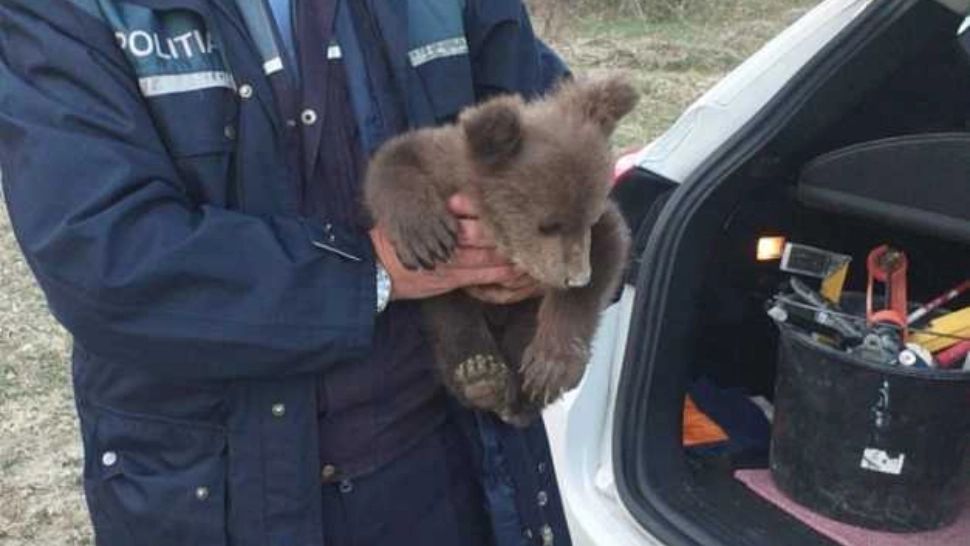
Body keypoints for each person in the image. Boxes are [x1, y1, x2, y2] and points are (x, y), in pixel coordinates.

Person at [0, 1, 573, 545]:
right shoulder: (67, 13)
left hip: (448, 462)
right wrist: (373, 269)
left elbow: (555, 124)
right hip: (221, 496)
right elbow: (104, 258)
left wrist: (544, 241)